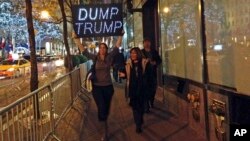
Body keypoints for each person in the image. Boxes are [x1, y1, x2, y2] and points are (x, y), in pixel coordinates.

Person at [73, 33, 123, 141]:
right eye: (100, 48)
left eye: (104, 48)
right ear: (98, 49)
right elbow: (84, 51)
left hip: (108, 87)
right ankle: (104, 131)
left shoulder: (109, 58)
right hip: (97, 88)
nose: (102, 49)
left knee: (106, 108)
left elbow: (116, 47)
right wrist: (77, 39)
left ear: (106, 49)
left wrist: (121, 36)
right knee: (101, 107)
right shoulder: (95, 58)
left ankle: (104, 122)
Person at [119, 47, 152, 134]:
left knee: (141, 107)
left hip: (142, 89)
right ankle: (138, 125)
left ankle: (140, 119)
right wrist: (123, 75)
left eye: (134, 53)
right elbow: (126, 74)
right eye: (131, 53)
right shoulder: (128, 64)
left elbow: (150, 76)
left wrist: (149, 86)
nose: (132, 55)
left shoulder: (144, 63)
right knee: (134, 107)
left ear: (138, 54)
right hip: (132, 89)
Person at [141, 38, 162, 112]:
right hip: (144, 75)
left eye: (148, 42)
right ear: (143, 44)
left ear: (150, 43)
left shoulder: (154, 52)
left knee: (153, 90)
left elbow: (159, 60)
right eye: (145, 42)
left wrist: (154, 62)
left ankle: (151, 101)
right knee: (145, 90)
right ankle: (146, 107)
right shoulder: (141, 52)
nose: (147, 43)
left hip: (152, 74)